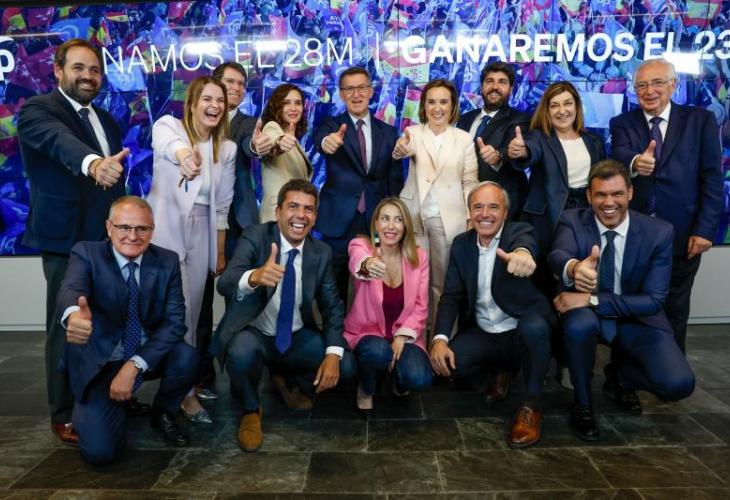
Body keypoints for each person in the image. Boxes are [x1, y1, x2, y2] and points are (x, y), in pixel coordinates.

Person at [17, 38, 130, 444]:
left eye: (94, 70)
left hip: (107, 240)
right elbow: (60, 142)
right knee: (66, 323)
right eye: (79, 68)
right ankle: (63, 411)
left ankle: (105, 395)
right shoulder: (37, 111)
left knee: (106, 320)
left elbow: (116, 180)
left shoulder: (107, 120)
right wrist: (93, 164)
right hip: (65, 240)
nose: (87, 76)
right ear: (58, 70)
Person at [549, 160, 695, 441]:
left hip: (637, 317)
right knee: (578, 325)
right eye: (600, 195)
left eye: (617, 193)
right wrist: (574, 268)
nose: (609, 203)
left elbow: (653, 300)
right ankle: (583, 404)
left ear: (630, 192)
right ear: (589, 196)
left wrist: (591, 299)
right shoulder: (572, 220)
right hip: (587, 318)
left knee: (679, 384)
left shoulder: (659, 232)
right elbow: (558, 254)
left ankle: (620, 377)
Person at [213, 179, 356, 452]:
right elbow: (226, 283)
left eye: (308, 209)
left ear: (315, 217)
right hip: (254, 333)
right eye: (293, 206)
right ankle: (250, 409)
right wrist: (254, 276)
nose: (301, 215)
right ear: (278, 211)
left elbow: (332, 307)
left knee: (346, 364)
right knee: (241, 353)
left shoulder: (320, 252)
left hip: (295, 337)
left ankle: (285, 379)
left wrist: (332, 354)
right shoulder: (256, 236)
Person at [57, 196, 197, 465]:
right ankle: (109, 406)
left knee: (187, 357)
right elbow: (71, 289)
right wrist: (74, 315)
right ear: (109, 227)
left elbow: (175, 322)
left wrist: (133, 366)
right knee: (101, 454)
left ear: (152, 230)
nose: (133, 236)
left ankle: (163, 412)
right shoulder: (87, 253)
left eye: (142, 228)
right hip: (101, 360)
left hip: (145, 354)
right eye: (124, 227)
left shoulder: (166, 260)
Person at [610, 58, 723, 353]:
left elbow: (712, 178)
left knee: (675, 308)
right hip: (634, 235)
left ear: (673, 85)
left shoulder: (700, 120)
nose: (650, 91)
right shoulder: (622, 123)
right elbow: (619, 152)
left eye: (658, 83)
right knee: (630, 307)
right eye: (642, 85)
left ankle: (671, 369)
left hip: (683, 234)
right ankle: (626, 373)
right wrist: (636, 162)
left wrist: (705, 230)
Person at [429, 182, 554, 448]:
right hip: (484, 332)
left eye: (493, 207)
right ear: (469, 212)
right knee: (450, 368)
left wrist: (522, 255)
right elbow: (451, 296)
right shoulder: (461, 244)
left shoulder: (519, 232)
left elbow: (526, 245)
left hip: (520, 329)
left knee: (535, 329)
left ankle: (532, 405)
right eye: (478, 207)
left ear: (506, 212)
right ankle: (502, 369)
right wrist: (439, 339)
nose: (485, 214)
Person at [146, 76, 235, 423]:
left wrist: (220, 252)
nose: (215, 106)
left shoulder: (226, 149)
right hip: (166, 231)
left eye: (220, 100)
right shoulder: (169, 126)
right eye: (207, 99)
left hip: (203, 233)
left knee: (194, 314)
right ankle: (179, 392)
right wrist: (185, 156)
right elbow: (169, 145)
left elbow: (222, 206)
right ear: (193, 103)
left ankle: (184, 385)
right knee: (175, 314)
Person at [394, 79, 479, 329]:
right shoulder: (413, 133)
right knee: (414, 282)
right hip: (415, 218)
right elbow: (402, 150)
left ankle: (442, 337)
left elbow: (470, 182)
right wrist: (401, 148)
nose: (437, 108)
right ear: (424, 106)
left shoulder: (464, 139)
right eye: (431, 102)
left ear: (452, 106)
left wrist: (470, 217)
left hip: (449, 220)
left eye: (443, 102)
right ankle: (413, 336)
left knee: (442, 284)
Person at [314, 67, 404, 302]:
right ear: (341, 94)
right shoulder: (331, 125)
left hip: (375, 222)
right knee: (334, 290)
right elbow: (321, 139)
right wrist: (326, 143)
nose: (356, 94)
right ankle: (336, 327)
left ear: (371, 91)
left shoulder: (388, 132)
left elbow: (394, 182)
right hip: (338, 222)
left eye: (361, 88)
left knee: (374, 288)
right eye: (349, 89)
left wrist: (394, 219)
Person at [344, 198, 432, 410]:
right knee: (378, 353)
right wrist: (367, 264)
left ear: (405, 226)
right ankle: (366, 387)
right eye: (385, 219)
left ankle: (398, 382)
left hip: (403, 334)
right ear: (376, 223)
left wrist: (402, 336)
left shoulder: (418, 257)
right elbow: (358, 260)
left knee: (419, 378)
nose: (391, 226)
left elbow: (421, 306)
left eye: (398, 220)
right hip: (368, 332)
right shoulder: (362, 246)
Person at [507, 81, 606, 257]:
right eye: (554, 105)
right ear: (547, 110)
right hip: (549, 218)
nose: (562, 111)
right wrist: (521, 151)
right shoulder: (539, 137)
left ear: (577, 106)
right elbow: (530, 150)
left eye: (567, 103)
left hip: (586, 214)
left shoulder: (594, 141)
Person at [456, 62, 529, 220]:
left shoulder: (520, 119)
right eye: (490, 81)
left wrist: (497, 156)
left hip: (503, 205)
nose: (495, 87)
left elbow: (511, 150)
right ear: (482, 86)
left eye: (502, 82)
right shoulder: (465, 119)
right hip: (464, 203)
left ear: (511, 89)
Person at [257, 83, 312, 222]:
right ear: (277, 107)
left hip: (294, 214)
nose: (293, 108)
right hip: (277, 215)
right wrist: (279, 143)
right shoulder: (272, 127)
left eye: (298, 103)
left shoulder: (293, 138)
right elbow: (272, 142)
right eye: (286, 103)